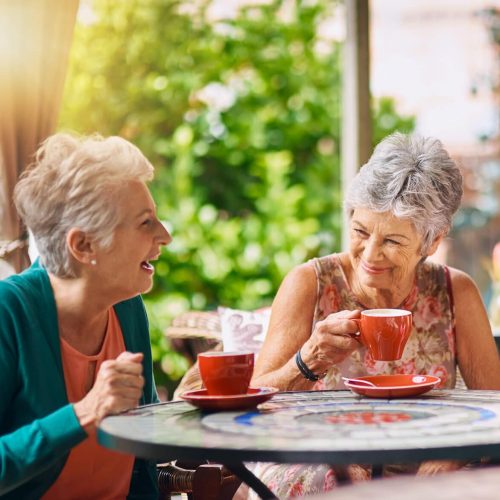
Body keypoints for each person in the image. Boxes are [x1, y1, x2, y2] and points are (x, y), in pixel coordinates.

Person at [249, 132, 500, 497]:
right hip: (315, 461)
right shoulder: (309, 283)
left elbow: (494, 408)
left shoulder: (455, 292)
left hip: (424, 469)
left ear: (431, 241)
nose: (369, 254)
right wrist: (310, 358)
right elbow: (254, 406)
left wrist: (455, 456)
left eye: (392, 241)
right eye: (360, 231)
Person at [0, 133, 171, 498]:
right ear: (83, 245)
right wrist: (83, 413)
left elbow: (143, 459)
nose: (165, 235)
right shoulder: (8, 313)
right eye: (145, 222)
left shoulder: (126, 305)